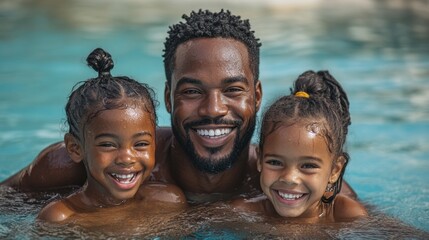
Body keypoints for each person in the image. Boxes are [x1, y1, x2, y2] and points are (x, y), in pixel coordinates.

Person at [1, 10, 356, 203]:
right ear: (168, 96)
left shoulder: (295, 183)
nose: (214, 108)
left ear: (257, 96)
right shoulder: (83, 165)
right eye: (192, 91)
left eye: (233, 89)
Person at [37, 48, 186, 222]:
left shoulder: (167, 201)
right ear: (75, 148)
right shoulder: (61, 218)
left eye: (140, 144)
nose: (126, 158)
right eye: (108, 145)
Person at [232, 70, 367, 222]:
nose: (289, 178)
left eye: (308, 165)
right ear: (259, 159)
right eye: (275, 162)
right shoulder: (243, 215)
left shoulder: (345, 215)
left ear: (335, 170)